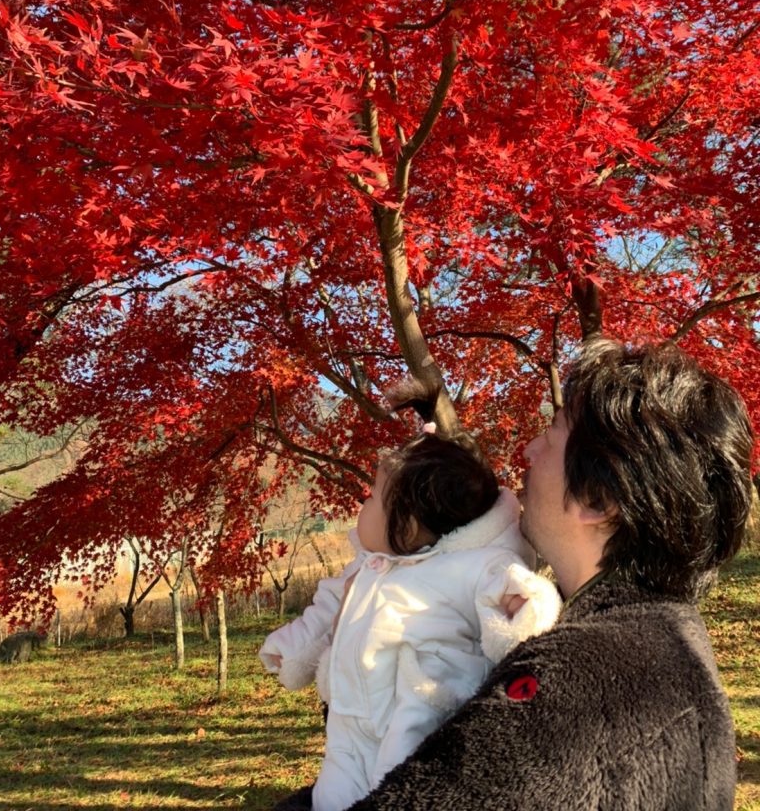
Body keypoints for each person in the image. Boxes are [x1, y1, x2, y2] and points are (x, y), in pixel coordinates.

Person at [272, 340, 754, 811]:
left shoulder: (583, 686)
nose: (527, 450)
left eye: (551, 434)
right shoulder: (661, 651)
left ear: (598, 501)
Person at [259, 382, 561, 811]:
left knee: (405, 784)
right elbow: (327, 608)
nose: (362, 506)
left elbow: (511, 584)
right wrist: (292, 650)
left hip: (423, 699)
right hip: (351, 715)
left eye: (373, 498)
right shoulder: (367, 567)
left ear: (408, 526)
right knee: (333, 792)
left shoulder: (466, 563)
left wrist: (522, 608)